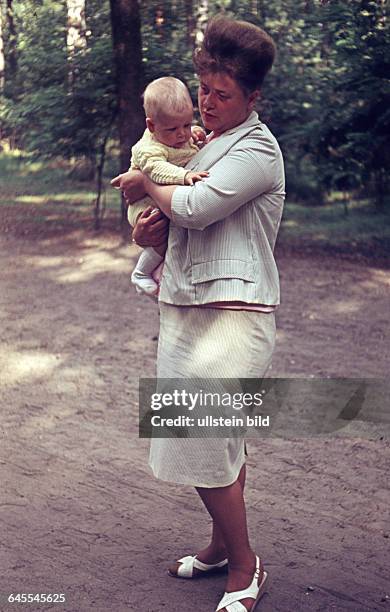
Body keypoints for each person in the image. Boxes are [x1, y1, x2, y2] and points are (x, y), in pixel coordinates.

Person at [112, 15, 285, 612]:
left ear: (253, 96)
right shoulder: (201, 142)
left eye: (222, 94)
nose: (207, 104)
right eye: (204, 90)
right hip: (185, 307)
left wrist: (143, 180)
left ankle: (245, 565)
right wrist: (145, 235)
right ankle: (219, 546)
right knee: (208, 441)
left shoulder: (257, 149)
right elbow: (174, 224)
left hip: (233, 316)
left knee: (209, 442)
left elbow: (195, 206)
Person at [126, 76, 208, 296]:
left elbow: (187, 141)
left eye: (187, 124)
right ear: (152, 126)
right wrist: (185, 175)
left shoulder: (178, 136)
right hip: (145, 207)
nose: (182, 134)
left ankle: (160, 276)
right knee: (160, 234)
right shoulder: (147, 148)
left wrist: (197, 134)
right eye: (172, 129)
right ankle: (141, 272)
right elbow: (156, 170)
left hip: (161, 200)